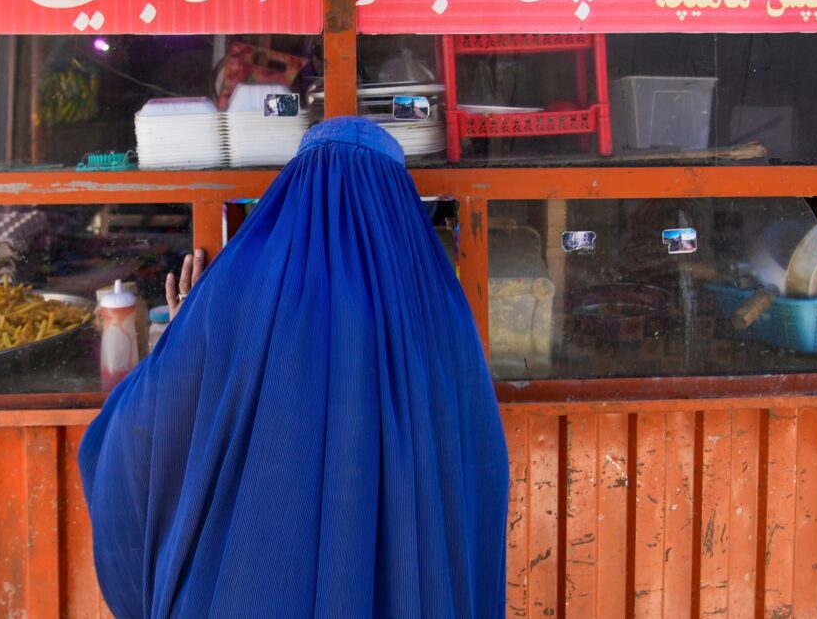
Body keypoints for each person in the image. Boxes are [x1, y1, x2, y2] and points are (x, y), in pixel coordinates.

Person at [78, 117, 509, 618]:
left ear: (293, 186)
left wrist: (183, 332)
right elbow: (483, 466)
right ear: (399, 197)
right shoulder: (438, 304)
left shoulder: (235, 287)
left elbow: (139, 427)